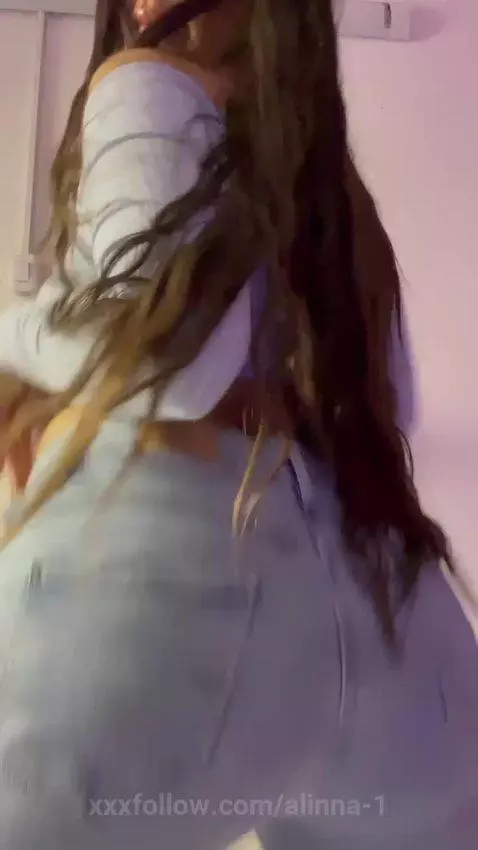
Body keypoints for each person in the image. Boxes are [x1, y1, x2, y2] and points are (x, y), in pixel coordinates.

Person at [0, 1, 477, 848]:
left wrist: (14, 335)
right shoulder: (330, 186)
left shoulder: (150, 83)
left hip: (171, 570)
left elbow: (169, 366)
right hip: (393, 623)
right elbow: (390, 399)